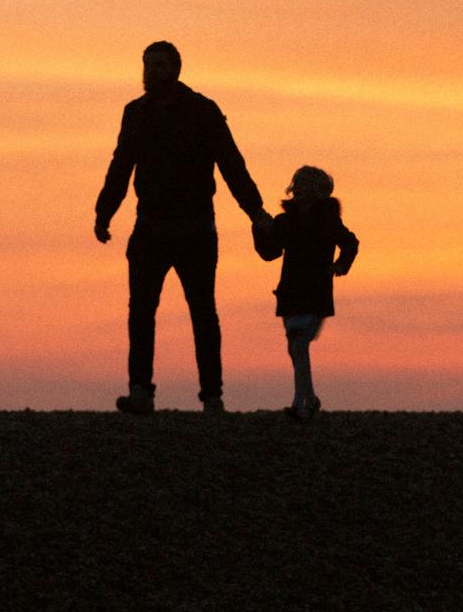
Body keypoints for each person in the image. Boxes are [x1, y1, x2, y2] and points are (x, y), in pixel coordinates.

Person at [95, 41, 271, 414]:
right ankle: (140, 390)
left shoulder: (203, 111)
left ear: (175, 68)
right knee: (141, 311)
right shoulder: (136, 114)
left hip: (195, 229)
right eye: (146, 64)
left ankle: (212, 395)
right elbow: (121, 165)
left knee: (203, 312)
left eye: (159, 65)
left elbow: (231, 164)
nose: (150, 71)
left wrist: (255, 210)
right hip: (150, 228)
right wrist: (104, 213)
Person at [252, 165, 358, 421]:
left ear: (320, 191)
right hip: (290, 292)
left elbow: (350, 243)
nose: (300, 188)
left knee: (298, 343)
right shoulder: (285, 221)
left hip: (316, 292)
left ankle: (302, 404)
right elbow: (270, 252)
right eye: (298, 183)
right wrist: (259, 228)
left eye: (306, 184)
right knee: (295, 347)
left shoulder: (329, 220)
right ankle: (308, 400)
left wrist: (342, 264)